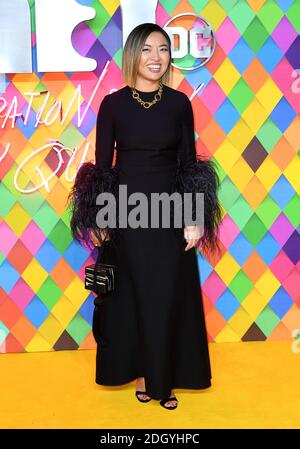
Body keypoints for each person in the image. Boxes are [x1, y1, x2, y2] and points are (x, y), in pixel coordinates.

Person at [68, 23, 222, 410]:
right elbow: (103, 167)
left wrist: (193, 218)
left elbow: (189, 165)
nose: (156, 58)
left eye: (164, 50)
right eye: (148, 49)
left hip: (170, 212)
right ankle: (142, 374)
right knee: (133, 297)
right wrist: (101, 217)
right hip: (127, 214)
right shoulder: (113, 104)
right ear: (133, 54)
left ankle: (165, 379)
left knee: (168, 295)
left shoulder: (179, 104)